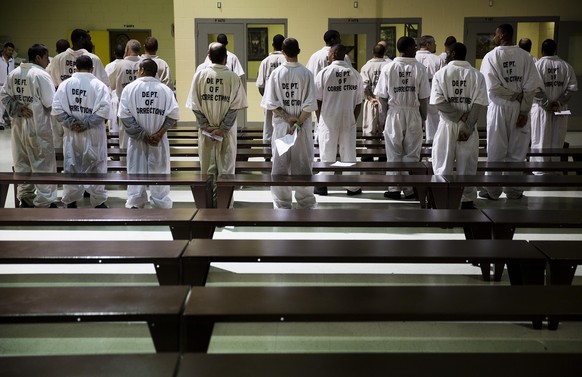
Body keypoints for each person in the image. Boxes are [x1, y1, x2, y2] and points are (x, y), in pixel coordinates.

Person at [479, 24, 544, 200]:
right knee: (518, 151)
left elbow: (492, 87)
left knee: (495, 150)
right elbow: (531, 87)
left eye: (496, 33)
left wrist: (512, 95)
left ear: (501, 35)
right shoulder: (526, 57)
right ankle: (514, 190)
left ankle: (492, 191)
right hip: (520, 108)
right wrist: (524, 110)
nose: (494, 36)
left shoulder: (491, 57)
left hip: (499, 108)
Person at [186, 42, 247, 205]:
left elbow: (195, 105)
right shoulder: (233, 77)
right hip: (226, 133)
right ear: (226, 59)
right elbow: (235, 107)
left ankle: (208, 207)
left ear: (208, 56)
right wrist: (222, 129)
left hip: (206, 132)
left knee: (207, 170)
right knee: (226, 169)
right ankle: (225, 206)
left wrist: (206, 126)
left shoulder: (199, 75)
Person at [430, 42, 488, 209]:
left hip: (448, 124)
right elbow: (478, 104)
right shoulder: (477, 75)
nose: (445, 54)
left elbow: (439, 102)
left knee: (442, 162)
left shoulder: (441, 74)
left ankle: (442, 198)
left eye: (448, 52)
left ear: (453, 53)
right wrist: (468, 125)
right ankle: (467, 200)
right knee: (467, 164)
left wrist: (457, 116)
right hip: (468, 127)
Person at [261, 37, 318, 209]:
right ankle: (305, 201)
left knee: (280, 165)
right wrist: (298, 122)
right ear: (299, 51)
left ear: (283, 53)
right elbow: (310, 104)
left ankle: (282, 202)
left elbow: (271, 103)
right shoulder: (307, 73)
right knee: (303, 163)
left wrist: (287, 119)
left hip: (281, 127)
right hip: (302, 127)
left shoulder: (276, 74)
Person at [0, 44, 58, 208]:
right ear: (38, 57)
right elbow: (50, 102)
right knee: (43, 164)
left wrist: (17, 108)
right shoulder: (41, 74)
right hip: (38, 126)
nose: (48, 61)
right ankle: (45, 201)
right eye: (46, 57)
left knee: (22, 162)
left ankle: (25, 198)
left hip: (18, 127)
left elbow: (4, 95)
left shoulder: (14, 73)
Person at [117, 58, 180, 209]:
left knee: (136, 172)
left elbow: (125, 117)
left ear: (142, 70)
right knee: (159, 172)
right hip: (158, 141)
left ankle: (136, 202)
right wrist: (159, 134)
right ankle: (160, 203)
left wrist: (142, 135)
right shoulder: (165, 90)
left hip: (137, 141)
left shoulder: (130, 88)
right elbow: (173, 116)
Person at [374, 36, 430, 200]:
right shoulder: (419, 68)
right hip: (413, 112)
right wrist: (423, 118)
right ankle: (409, 188)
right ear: (410, 48)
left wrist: (385, 116)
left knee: (394, 152)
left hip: (394, 112)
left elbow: (381, 96)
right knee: (411, 153)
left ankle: (393, 188)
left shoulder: (389, 67)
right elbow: (424, 97)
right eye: (414, 47)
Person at [51, 55, 110, 208]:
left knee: (71, 166)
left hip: (72, 135)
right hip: (94, 134)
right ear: (92, 69)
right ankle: (98, 202)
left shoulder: (65, 84)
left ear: (75, 68)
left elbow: (56, 109)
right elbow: (104, 110)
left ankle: (71, 201)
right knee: (97, 166)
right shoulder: (99, 85)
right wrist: (86, 123)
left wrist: (71, 123)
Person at [314, 44, 363, 196]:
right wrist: (352, 120)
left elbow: (318, 100)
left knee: (326, 151)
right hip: (348, 117)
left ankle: (322, 185)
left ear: (334, 55)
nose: (327, 56)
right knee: (348, 151)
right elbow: (358, 102)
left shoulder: (324, 73)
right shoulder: (355, 74)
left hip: (328, 118)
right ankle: (352, 186)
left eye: (329, 53)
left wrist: (320, 117)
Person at [47, 29, 109, 148]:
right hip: (89, 111)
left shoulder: (58, 58)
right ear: (81, 39)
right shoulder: (93, 58)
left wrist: (68, 119)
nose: (90, 42)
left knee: (65, 149)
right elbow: (104, 85)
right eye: (88, 39)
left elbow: (53, 85)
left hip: (66, 111)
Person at [530, 39, 578, 171]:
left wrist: (547, 104)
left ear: (542, 50)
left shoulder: (537, 66)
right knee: (557, 140)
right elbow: (572, 88)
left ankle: (539, 170)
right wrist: (558, 103)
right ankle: (555, 169)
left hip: (541, 111)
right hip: (560, 110)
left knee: (540, 140)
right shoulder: (566, 66)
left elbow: (533, 88)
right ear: (555, 49)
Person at [109, 39, 142, 149]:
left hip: (124, 105)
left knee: (125, 137)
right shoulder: (144, 63)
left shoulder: (120, 65)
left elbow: (111, 84)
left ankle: (124, 161)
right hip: (141, 106)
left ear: (127, 49)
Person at [256, 34, 286, 144]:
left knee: (268, 127)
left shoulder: (265, 61)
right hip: (284, 99)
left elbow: (260, 85)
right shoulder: (285, 60)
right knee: (283, 126)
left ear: (272, 44)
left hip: (268, 99)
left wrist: (267, 97)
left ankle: (267, 154)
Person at [416, 35, 444, 144]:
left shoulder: (413, 59)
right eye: (434, 43)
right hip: (432, 99)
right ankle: (431, 157)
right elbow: (442, 81)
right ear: (428, 45)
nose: (436, 45)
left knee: (414, 133)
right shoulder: (437, 60)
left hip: (414, 99)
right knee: (432, 132)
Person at [360, 43, 389, 137]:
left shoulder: (366, 67)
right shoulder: (389, 65)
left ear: (372, 52)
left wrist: (371, 99)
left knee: (370, 133)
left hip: (371, 102)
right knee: (385, 133)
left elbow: (364, 86)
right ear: (384, 52)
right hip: (386, 102)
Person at [105, 44, 125, 134]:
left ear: (114, 53)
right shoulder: (127, 65)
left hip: (113, 99)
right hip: (125, 100)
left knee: (114, 133)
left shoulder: (109, 66)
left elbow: (107, 85)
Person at [0, 42, 16, 130]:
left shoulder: (12, 60)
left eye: (12, 51)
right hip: (0, 83)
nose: (10, 52)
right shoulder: (0, 59)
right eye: (9, 50)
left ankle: (11, 122)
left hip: (9, 85)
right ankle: (0, 122)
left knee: (9, 104)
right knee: (0, 105)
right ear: (5, 49)